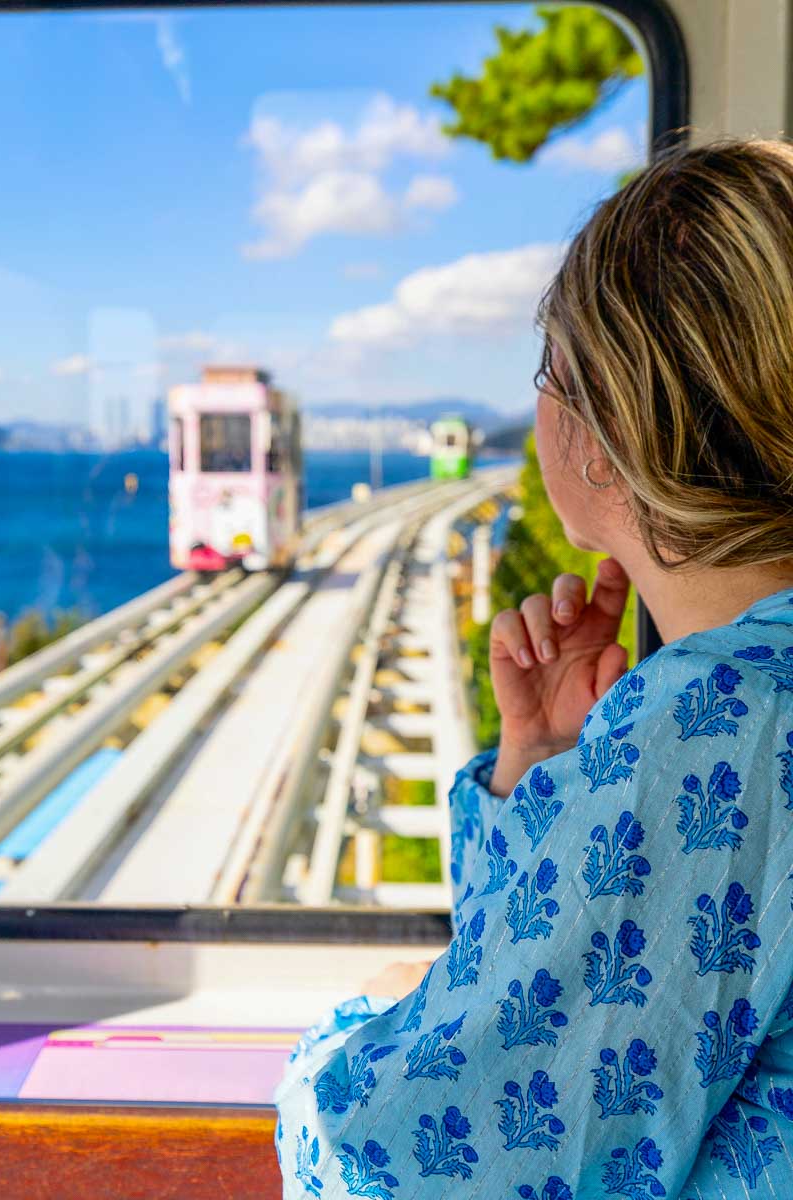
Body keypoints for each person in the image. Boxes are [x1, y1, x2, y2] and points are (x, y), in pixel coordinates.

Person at [274, 138, 793, 1198]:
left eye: (548, 373)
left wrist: (338, 1040)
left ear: (604, 438)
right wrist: (544, 767)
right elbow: (589, 1002)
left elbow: (416, 1172)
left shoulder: (720, 724)